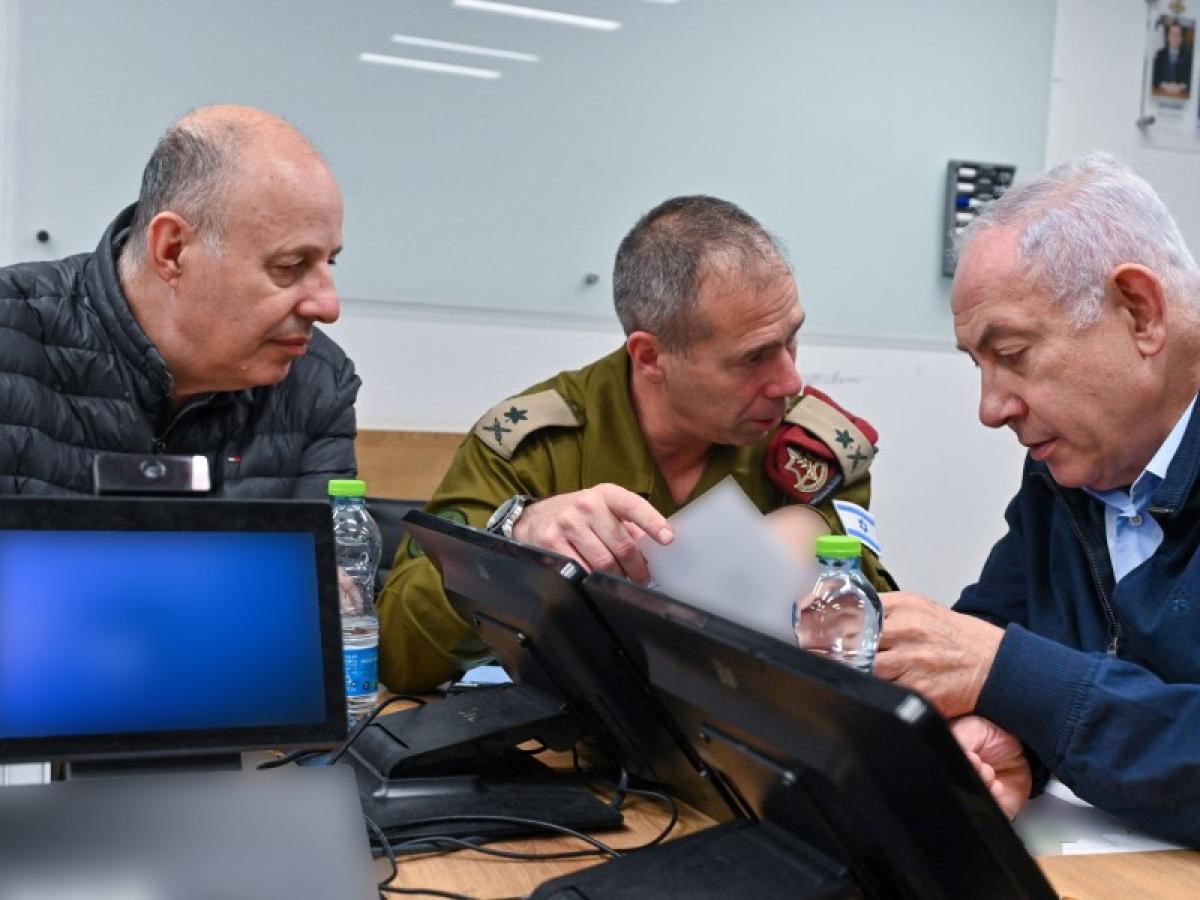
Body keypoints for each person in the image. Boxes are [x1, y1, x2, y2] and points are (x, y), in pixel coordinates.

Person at [377, 195, 894, 692]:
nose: (789, 381)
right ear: (649, 356)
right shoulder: (535, 447)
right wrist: (515, 538)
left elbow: (892, 652)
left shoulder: (811, 455)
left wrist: (825, 555)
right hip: (577, 759)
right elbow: (398, 653)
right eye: (753, 358)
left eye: (791, 339)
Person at [876, 152, 1200, 842]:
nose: (991, 409)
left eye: (1013, 354)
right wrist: (995, 734)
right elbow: (992, 633)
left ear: (1140, 313)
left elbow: (1003, 662)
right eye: (979, 366)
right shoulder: (1071, 473)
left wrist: (1012, 682)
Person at [0, 105, 359, 496]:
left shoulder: (319, 380)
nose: (328, 307)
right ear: (172, 252)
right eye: (291, 264)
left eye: (331, 261)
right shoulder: (11, 332)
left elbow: (318, 556)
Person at [1152, 19, 1192, 98]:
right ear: (1168, 36)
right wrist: (1166, 86)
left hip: (1181, 96)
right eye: (1172, 34)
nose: (1175, 37)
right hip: (1161, 94)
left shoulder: (1188, 56)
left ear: (1181, 38)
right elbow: (1154, 77)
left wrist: (1180, 87)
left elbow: (1190, 79)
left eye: (1178, 34)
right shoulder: (1160, 54)